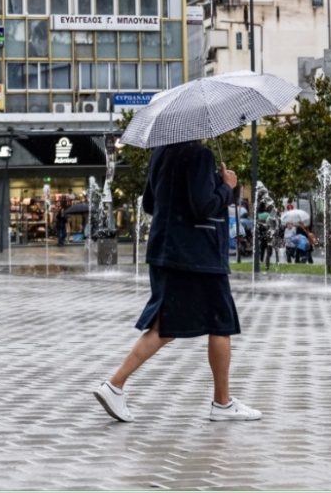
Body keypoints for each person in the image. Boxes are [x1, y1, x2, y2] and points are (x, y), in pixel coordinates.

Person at [94, 141, 261, 423]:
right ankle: (221, 403)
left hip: (165, 250)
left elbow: (149, 202)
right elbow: (203, 205)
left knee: (165, 327)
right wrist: (226, 187)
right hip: (198, 255)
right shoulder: (200, 155)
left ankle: (116, 385)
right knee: (220, 322)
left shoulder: (162, 152)